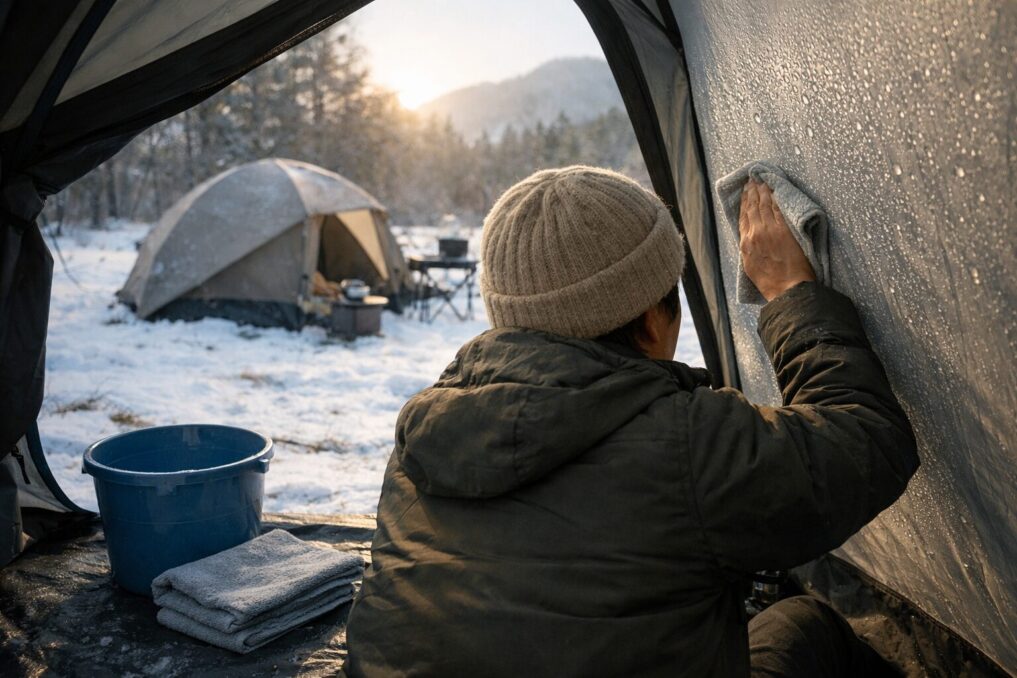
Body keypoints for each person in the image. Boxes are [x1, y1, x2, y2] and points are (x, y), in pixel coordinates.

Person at [343, 166, 918, 677]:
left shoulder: (425, 435)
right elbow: (867, 437)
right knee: (805, 627)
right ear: (651, 320)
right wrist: (792, 293)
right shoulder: (685, 446)